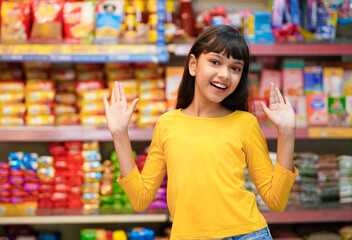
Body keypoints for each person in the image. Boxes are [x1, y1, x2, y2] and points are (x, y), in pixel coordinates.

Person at [103, 25, 298, 240]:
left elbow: (276, 201)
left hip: (247, 234)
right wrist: (119, 134)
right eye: (215, 62)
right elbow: (140, 199)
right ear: (193, 65)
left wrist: (287, 133)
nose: (224, 74)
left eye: (236, 68)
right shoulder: (167, 124)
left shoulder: (246, 124)